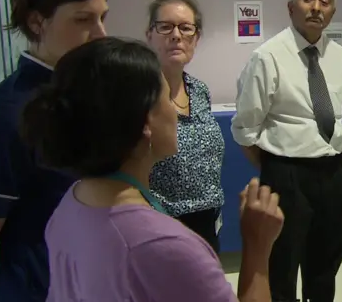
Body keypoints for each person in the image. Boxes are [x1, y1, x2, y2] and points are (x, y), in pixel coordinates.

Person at [20, 36, 284, 301]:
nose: (175, 110)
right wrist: (257, 247)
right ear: (146, 124)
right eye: (167, 99)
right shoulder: (164, 246)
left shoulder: (73, 202)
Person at [0, 0, 110, 302]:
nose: (100, 34)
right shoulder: (6, 114)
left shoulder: (88, 95)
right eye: (83, 19)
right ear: (36, 22)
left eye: (102, 18)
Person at [231, 0, 342, 302]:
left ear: (333, 11)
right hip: (286, 174)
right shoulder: (267, 56)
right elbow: (245, 128)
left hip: (333, 172)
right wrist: (276, 166)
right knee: (282, 265)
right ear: (290, 7)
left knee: (326, 263)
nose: (316, 7)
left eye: (324, 1)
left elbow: (339, 117)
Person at [145, 0, 225, 253]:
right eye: (165, 27)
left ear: (196, 37)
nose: (176, 35)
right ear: (150, 34)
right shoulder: (139, 93)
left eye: (185, 28)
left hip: (207, 221)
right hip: (160, 223)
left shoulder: (199, 90)